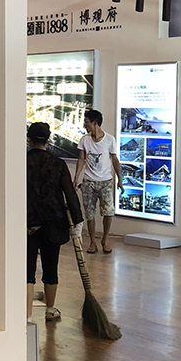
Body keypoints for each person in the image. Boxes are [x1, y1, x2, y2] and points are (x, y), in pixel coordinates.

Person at [27, 122, 83, 322]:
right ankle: (50, 309)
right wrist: (77, 220)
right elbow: (70, 193)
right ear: (48, 140)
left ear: (29, 139)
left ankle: (27, 316)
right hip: (53, 223)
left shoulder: (21, 162)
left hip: (28, 223)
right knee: (51, 266)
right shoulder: (58, 163)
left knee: (27, 270)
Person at [73, 109, 124, 254]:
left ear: (94, 123)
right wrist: (76, 177)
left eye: (87, 122)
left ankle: (105, 239)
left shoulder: (109, 140)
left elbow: (114, 160)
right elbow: (81, 159)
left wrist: (120, 179)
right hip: (88, 182)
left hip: (105, 181)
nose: (85, 125)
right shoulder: (84, 140)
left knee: (108, 212)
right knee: (89, 214)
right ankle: (92, 242)